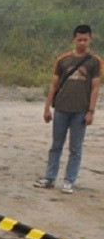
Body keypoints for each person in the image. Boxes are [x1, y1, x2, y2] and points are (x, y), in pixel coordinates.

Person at [35, 24, 101, 194]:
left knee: (76, 148)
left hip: (80, 110)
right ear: (74, 39)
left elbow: (95, 88)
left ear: (90, 39)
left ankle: (69, 181)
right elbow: (54, 84)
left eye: (85, 40)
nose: (82, 43)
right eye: (79, 39)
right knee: (56, 145)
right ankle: (49, 178)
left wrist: (91, 111)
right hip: (61, 109)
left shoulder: (95, 61)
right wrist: (47, 108)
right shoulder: (63, 60)